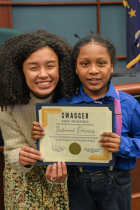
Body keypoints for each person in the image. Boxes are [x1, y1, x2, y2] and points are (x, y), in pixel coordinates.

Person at [32, 33, 140, 210]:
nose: (93, 70)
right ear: (75, 68)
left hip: (116, 182)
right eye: (85, 64)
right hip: (76, 183)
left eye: (101, 63)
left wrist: (123, 144)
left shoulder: (129, 104)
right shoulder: (62, 105)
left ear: (112, 67)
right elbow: (55, 146)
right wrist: (41, 137)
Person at [0, 30, 74, 209]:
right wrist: (21, 156)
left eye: (50, 66)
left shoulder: (71, 97)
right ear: (20, 70)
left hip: (62, 173)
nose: (43, 74)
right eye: (33, 68)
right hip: (23, 178)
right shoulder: (7, 103)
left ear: (61, 67)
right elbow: (11, 150)